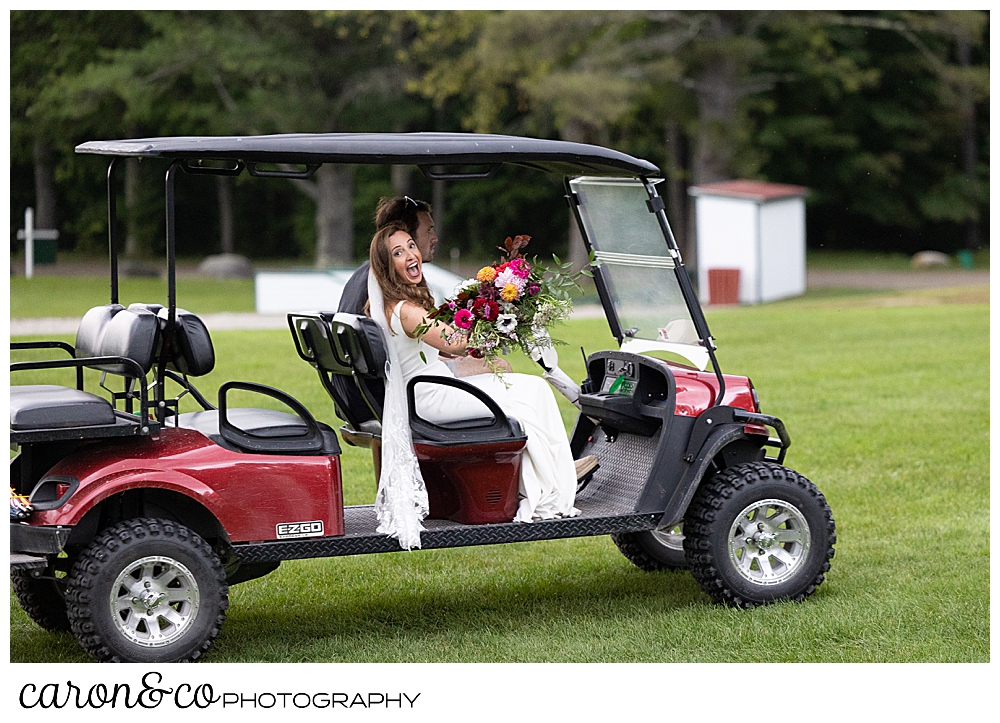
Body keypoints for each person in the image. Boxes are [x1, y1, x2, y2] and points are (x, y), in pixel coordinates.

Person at [367, 221, 594, 546]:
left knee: (530, 388)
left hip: (434, 387)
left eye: (411, 246)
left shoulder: (401, 304)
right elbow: (455, 342)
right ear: (387, 266)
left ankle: (556, 473)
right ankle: (553, 483)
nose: (411, 255)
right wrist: (503, 319)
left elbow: (442, 347)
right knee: (532, 391)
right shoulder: (405, 311)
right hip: (431, 397)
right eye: (398, 252)